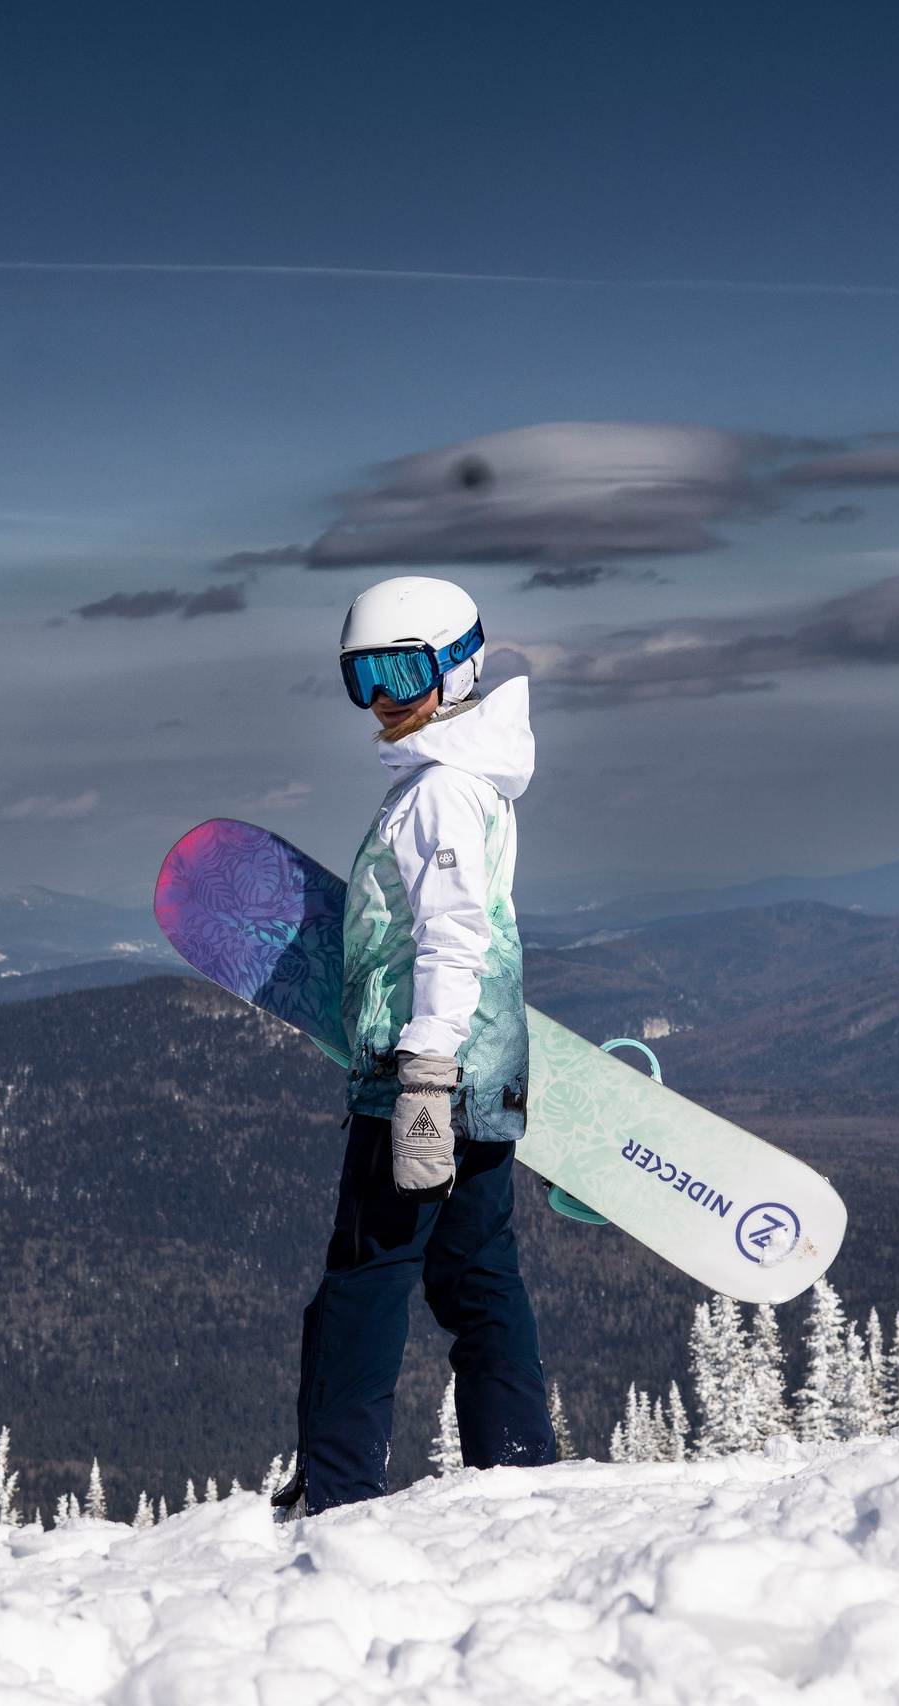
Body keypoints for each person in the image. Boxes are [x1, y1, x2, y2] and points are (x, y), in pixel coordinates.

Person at [279, 574, 557, 1514]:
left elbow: (452, 938)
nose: (388, 696)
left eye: (404, 669)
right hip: (484, 1078)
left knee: (365, 1276)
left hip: (426, 1077)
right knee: (478, 1275)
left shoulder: (441, 793)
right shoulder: (464, 781)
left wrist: (424, 1080)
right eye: (366, 677)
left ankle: (340, 1493)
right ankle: (515, 1475)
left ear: (458, 665)